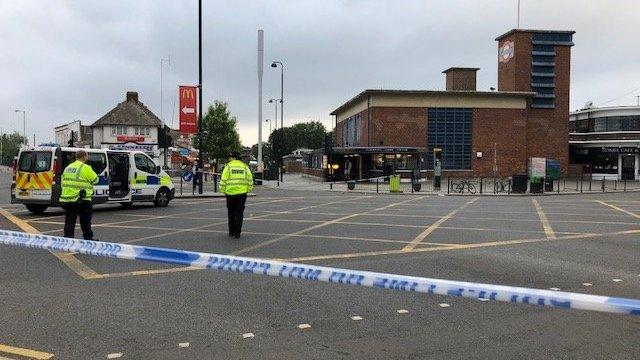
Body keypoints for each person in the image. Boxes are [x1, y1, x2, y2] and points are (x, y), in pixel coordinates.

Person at [59, 150, 99, 240]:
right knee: (85, 221)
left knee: (69, 221)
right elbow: (96, 180)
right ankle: (88, 238)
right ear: (84, 156)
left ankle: (68, 239)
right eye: (87, 156)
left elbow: (63, 181)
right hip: (82, 199)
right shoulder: (85, 167)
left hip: (67, 199)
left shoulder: (68, 167)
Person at [220, 151, 253, 239]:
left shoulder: (228, 166)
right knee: (239, 213)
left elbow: (223, 179)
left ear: (234, 157)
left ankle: (231, 231)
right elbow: (250, 179)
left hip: (230, 193)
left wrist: (223, 190)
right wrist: (248, 189)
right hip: (242, 194)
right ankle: (237, 233)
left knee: (231, 213)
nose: (229, 158)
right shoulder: (245, 167)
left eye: (230, 157)